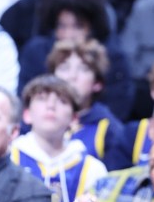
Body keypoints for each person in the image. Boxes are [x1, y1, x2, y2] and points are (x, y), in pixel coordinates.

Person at [10, 74, 107, 202]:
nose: (51, 106)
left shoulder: (92, 169)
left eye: (62, 101)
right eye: (41, 99)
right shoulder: (9, 158)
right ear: (26, 114)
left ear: (74, 119)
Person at [47, 38, 128, 171]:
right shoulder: (37, 119)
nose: (72, 76)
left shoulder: (109, 129)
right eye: (64, 68)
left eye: (83, 69)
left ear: (97, 83)